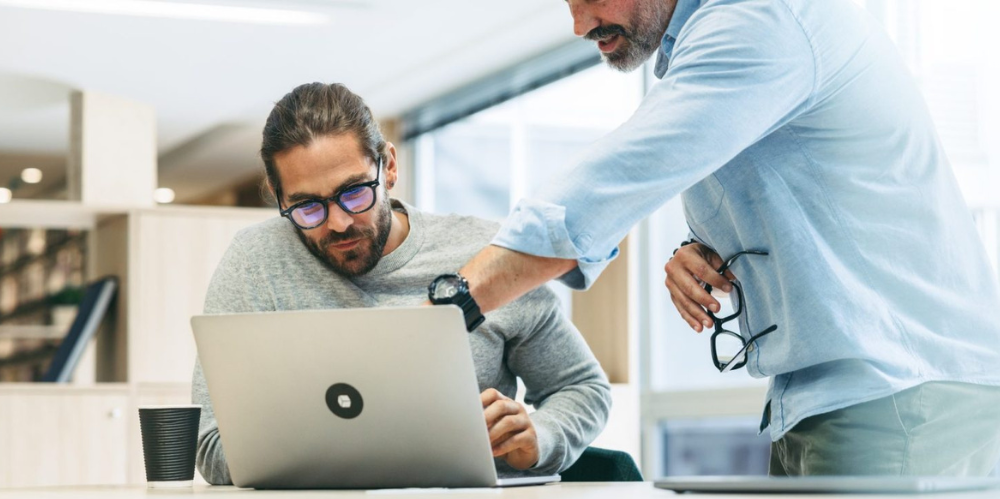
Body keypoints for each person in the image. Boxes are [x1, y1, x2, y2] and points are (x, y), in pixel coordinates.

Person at [434, 0, 1000, 476]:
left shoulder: (759, 19)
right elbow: (800, 188)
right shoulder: (710, 44)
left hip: (899, 394)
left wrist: (450, 305)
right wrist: (699, 249)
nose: (581, 24)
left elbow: (609, 181)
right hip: (832, 398)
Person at [192, 82, 612, 485]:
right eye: (306, 207)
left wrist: (542, 435)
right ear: (279, 197)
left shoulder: (489, 257)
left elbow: (582, 388)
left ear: (389, 166)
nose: (338, 222)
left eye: (354, 193)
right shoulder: (255, 262)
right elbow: (211, 445)